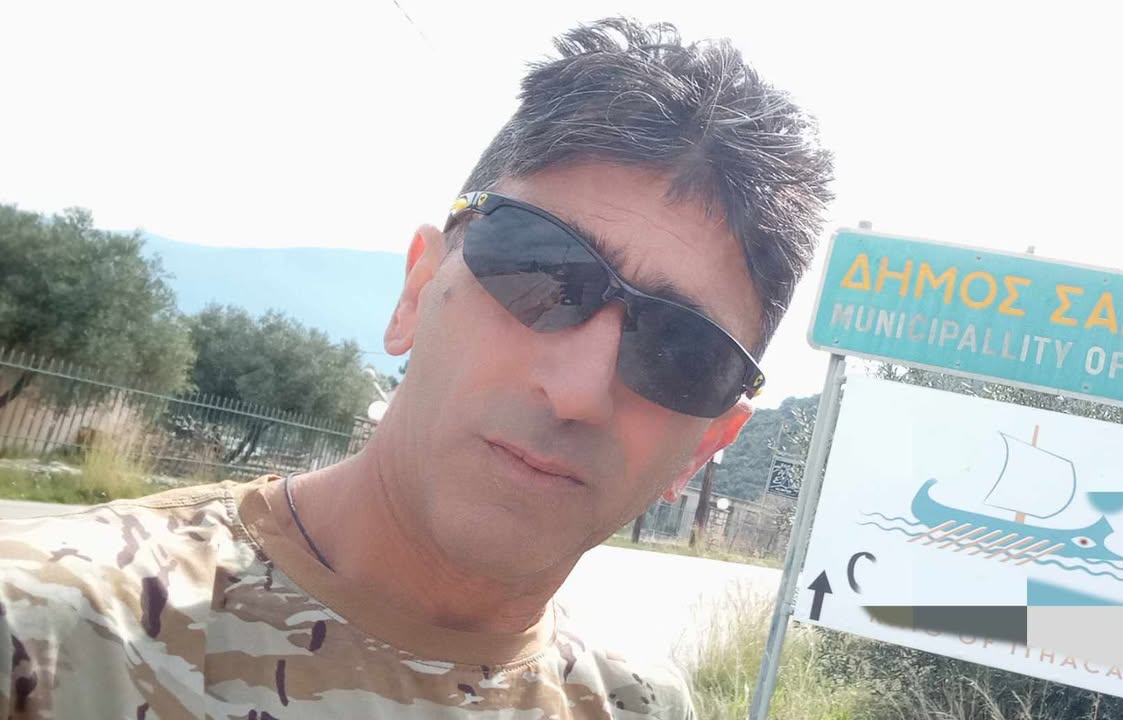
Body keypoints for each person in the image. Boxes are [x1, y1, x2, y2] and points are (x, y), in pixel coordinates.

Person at [0, 16, 834, 719]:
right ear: (416, 290)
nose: (577, 391)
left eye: (683, 351)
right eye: (541, 269)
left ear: (705, 446)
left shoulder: (639, 704)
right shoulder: (49, 637)